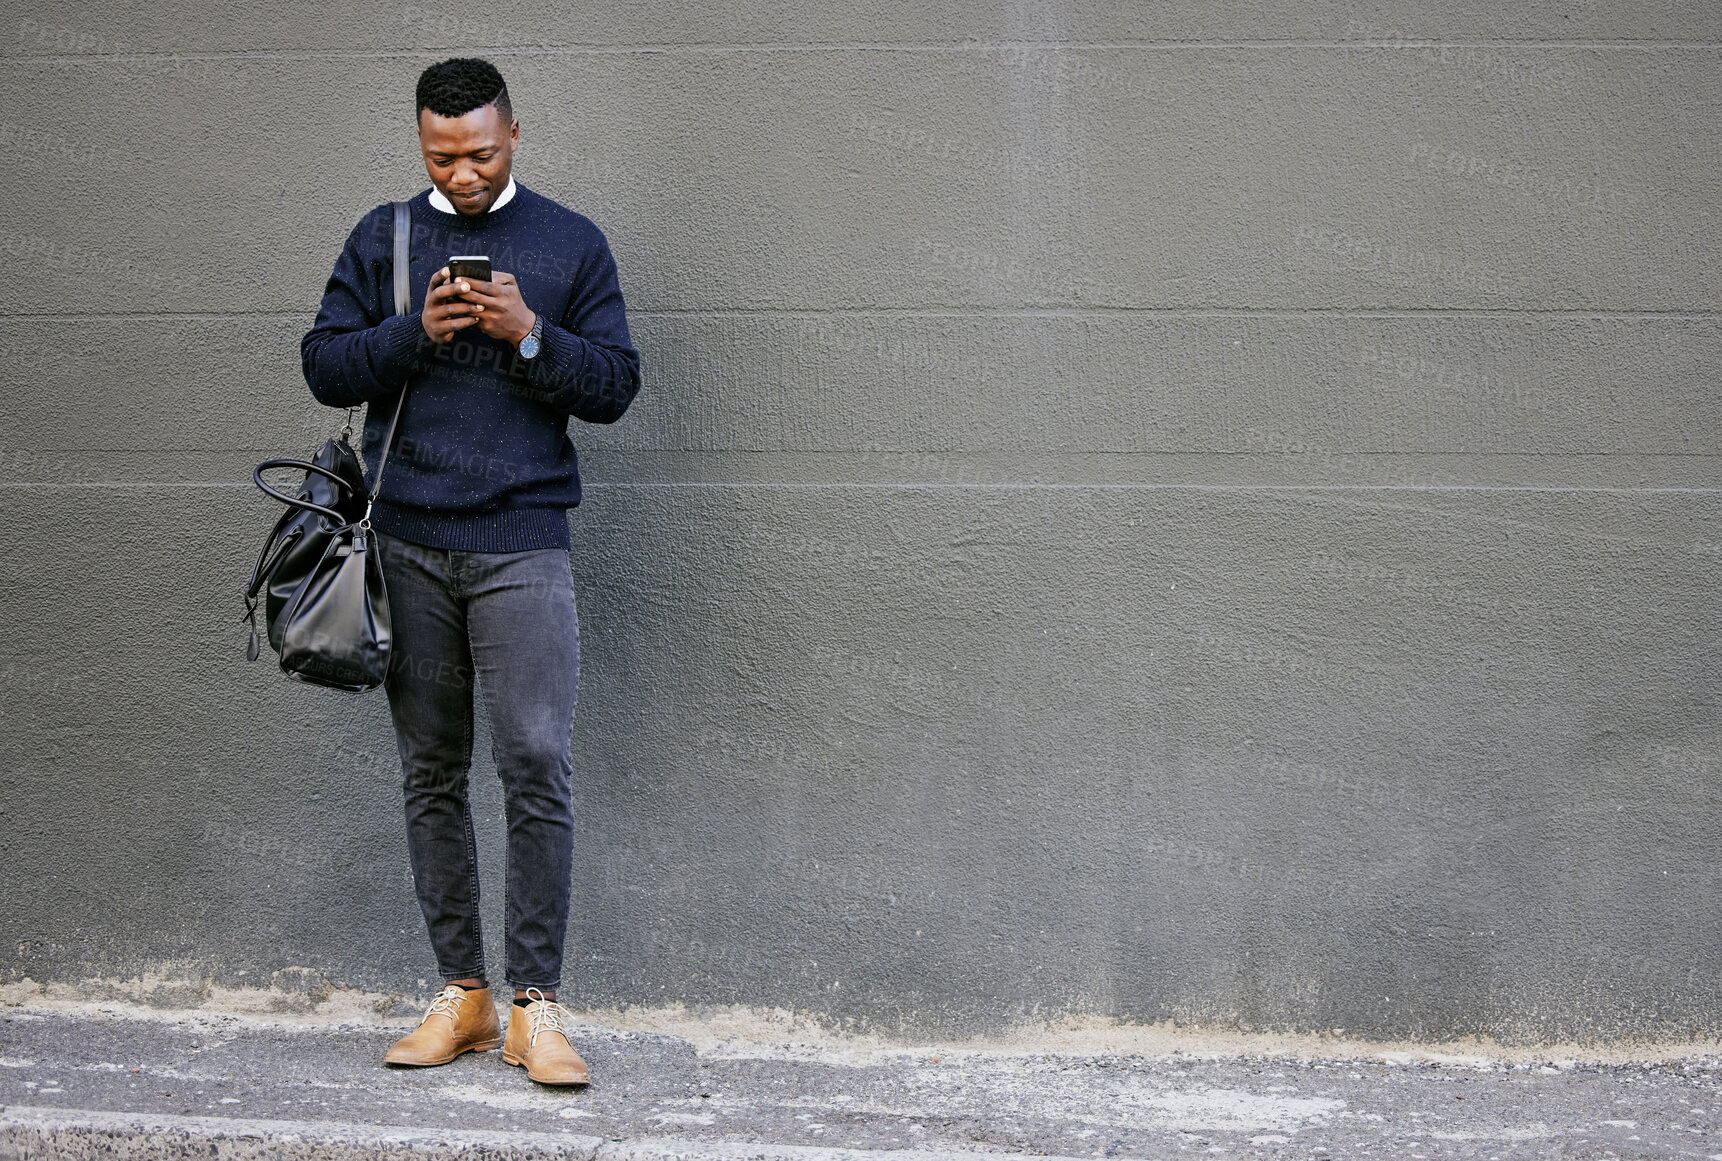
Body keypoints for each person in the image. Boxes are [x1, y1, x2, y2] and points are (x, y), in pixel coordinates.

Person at [300, 57, 640, 1086]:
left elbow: (618, 385)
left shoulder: (572, 241)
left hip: (523, 543)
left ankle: (535, 1006)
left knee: (535, 762)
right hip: (406, 542)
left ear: (516, 136)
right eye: (445, 154)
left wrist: (529, 334)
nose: (467, 170)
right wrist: (415, 333)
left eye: (483, 152)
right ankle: (465, 994)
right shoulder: (383, 236)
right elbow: (323, 364)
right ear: (420, 142)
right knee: (431, 771)